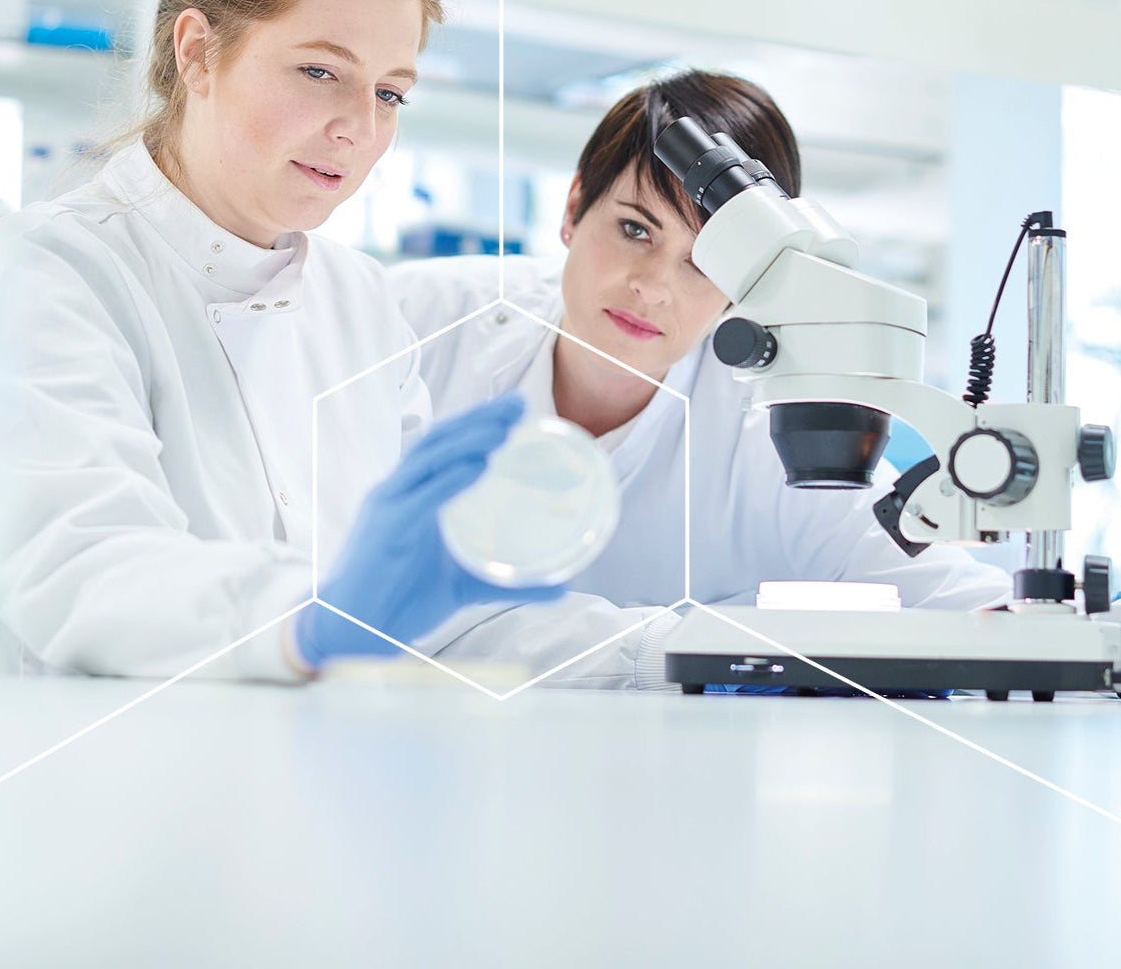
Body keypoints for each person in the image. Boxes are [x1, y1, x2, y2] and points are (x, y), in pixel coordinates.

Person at [0, 0, 561, 682]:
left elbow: (433, 622)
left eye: (389, 93)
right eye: (320, 72)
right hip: (104, 773)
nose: (359, 127)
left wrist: (664, 650)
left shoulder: (361, 300)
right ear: (195, 52)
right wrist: (310, 619)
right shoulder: (46, 270)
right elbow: (83, 567)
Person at [391, 69, 1013, 689]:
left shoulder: (766, 424)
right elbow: (371, 594)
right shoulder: (418, 325)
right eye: (635, 229)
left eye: (703, 262)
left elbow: (954, 602)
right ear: (574, 207)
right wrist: (684, 645)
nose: (653, 287)